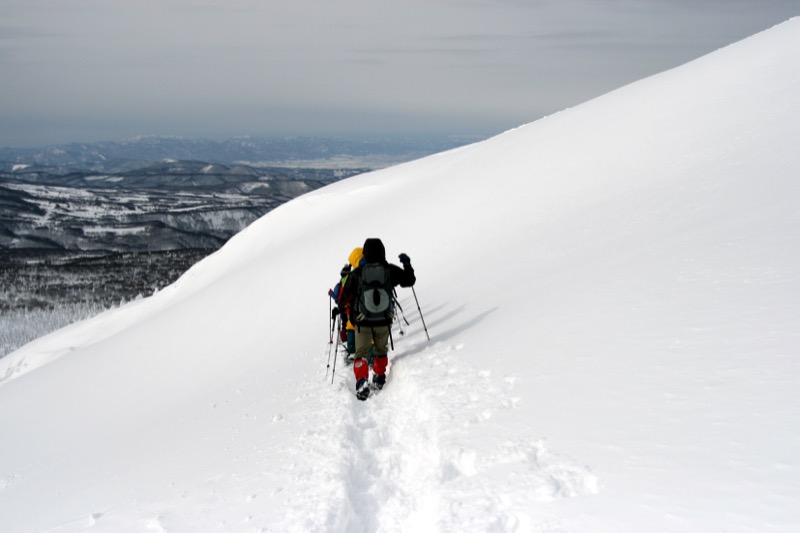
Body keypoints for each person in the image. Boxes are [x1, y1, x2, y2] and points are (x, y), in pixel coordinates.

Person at [339, 238, 415, 400]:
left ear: (365, 253)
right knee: (381, 350)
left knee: (361, 353)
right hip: (384, 320)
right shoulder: (388, 270)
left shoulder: (357, 273)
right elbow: (409, 281)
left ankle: (362, 381)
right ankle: (379, 378)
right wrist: (406, 264)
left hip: (362, 321)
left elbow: (343, 299)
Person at [329, 246, 364, 359]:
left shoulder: (349, 280)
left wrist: (338, 305)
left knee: (350, 325)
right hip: (371, 310)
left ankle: (352, 350)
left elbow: (343, 300)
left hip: (353, 311)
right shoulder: (372, 270)